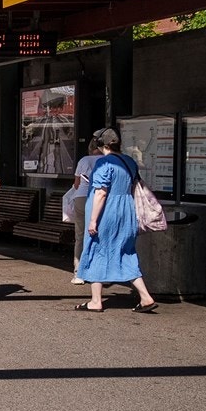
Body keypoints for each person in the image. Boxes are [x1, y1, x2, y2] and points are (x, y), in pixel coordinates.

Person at [76, 128, 159, 314]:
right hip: (127, 211)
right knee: (126, 252)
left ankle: (95, 301)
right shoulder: (129, 161)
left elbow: (101, 193)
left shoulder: (103, 163)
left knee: (96, 250)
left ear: (100, 144)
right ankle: (145, 297)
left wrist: (93, 221)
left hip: (107, 213)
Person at [64, 140, 101, 284]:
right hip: (100, 199)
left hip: (81, 197)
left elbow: (77, 184)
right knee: (99, 235)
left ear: (90, 148)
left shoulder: (84, 160)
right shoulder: (108, 160)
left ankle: (78, 273)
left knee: (80, 235)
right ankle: (98, 273)